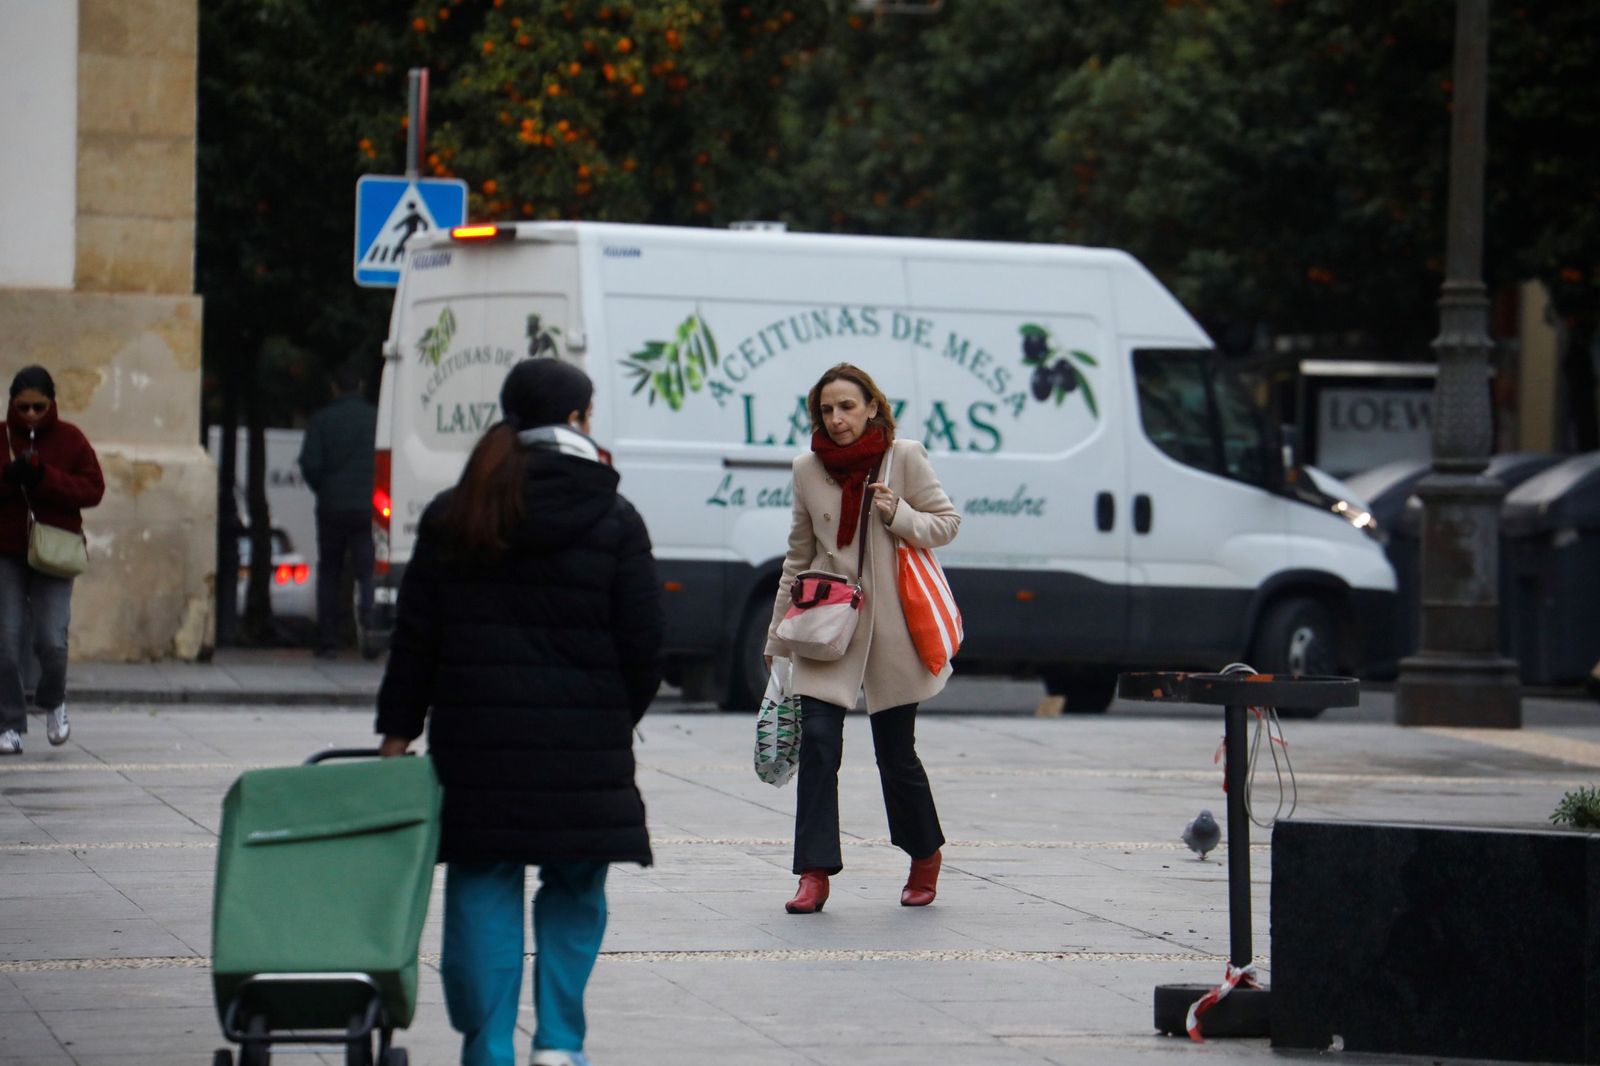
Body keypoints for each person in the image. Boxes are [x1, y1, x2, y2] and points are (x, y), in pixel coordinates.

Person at [375, 358, 663, 1066]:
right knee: (575, 883)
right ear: (576, 419)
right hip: (584, 745)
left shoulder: (458, 511)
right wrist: (610, 716)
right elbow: (645, 645)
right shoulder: (615, 515)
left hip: (478, 744)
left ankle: (491, 1047)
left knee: (483, 880)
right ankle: (561, 1044)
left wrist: (398, 736)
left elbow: (416, 638)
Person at [764, 362, 960, 914]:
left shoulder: (904, 457)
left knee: (895, 754)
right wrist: (776, 637)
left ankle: (924, 856)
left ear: (872, 406)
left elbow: (946, 523)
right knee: (821, 746)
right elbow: (798, 556)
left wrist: (899, 514)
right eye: (827, 409)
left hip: (893, 629)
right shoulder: (807, 468)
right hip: (826, 626)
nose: (838, 418)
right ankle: (813, 873)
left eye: (848, 406)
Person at [0, 366, 104, 755]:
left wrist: (45, 477)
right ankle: (9, 723)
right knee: (6, 641)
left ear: (51, 403)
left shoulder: (71, 439)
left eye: (38, 407)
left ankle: (53, 699)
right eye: (23, 407)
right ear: (12, 403)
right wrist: (10, 478)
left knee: (51, 639)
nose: (30, 415)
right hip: (6, 551)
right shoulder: (1, 436)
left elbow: (93, 489)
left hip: (54, 550)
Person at [298, 363, 377, 659]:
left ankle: (328, 640)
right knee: (366, 570)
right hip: (367, 507)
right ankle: (370, 633)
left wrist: (325, 488)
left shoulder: (322, 421)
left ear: (334, 388)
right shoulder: (375, 420)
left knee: (329, 571)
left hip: (332, 507)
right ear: (361, 386)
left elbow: (310, 464)